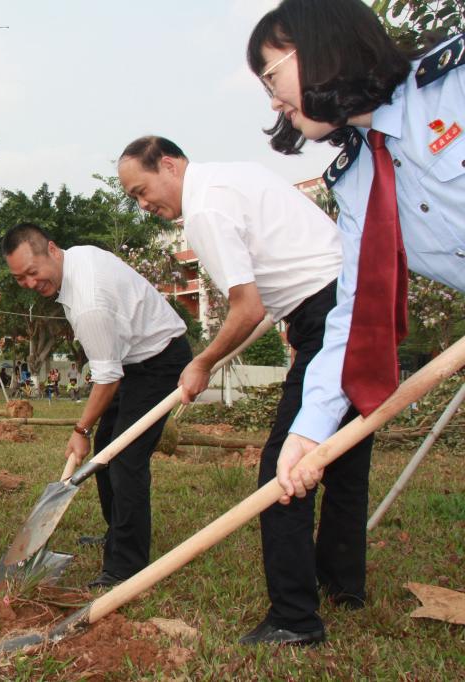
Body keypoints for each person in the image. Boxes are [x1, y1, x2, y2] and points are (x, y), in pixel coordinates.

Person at [248, 0, 465, 644]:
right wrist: (309, 431)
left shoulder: (453, 85)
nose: (272, 100)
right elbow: (354, 311)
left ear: (321, 46)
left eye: (271, 75)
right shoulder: (357, 177)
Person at [118, 134, 376, 645]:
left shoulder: (204, 208)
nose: (143, 205)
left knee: (282, 472)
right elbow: (271, 297)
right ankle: (342, 586)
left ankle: (294, 619)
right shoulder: (235, 175)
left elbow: (247, 307)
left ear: (168, 165)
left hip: (328, 317)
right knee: (341, 459)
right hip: (355, 299)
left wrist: (203, 361)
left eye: (141, 191)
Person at [2, 223, 190, 588]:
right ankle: (117, 532)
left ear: (51, 250)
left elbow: (107, 378)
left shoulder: (88, 301)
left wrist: (80, 429)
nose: (29, 283)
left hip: (159, 361)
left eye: (33, 272)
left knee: (125, 459)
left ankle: (125, 567)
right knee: (106, 450)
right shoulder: (76, 259)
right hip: (131, 359)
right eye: (20, 277)